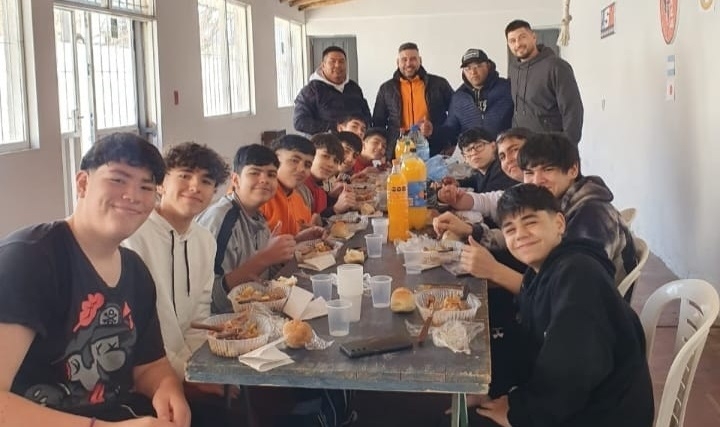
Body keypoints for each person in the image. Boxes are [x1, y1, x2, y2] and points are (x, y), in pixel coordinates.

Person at [0, 132, 190, 426]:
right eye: (118, 180)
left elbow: (150, 366)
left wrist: (167, 389)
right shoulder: (30, 258)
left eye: (145, 186)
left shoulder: (135, 271)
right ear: (82, 184)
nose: (133, 195)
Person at [470, 183, 653, 427]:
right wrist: (488, 388)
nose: (520, 234)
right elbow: (529, 345)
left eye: (530, 222)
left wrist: (519, 414)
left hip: (601, 413)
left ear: (559, 223)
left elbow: (572, 372)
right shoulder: (543, 273)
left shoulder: (578, 276)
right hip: (574, 403)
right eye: (510, 229)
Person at [123, 142, 233, 427]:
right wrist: (187, 375)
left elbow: (199, 316)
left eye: (206, 181)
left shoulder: (204, 241)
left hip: (184, 368)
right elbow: (139, 326)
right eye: (184, 175)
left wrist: (197, 370)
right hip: (140, 377)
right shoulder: (133, 236)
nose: (195, 186)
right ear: (161, 184)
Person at [459, 132, 637, 294]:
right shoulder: (557, 201)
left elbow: (568, 292)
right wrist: (472, 232)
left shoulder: (591, 216)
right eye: (529, 173)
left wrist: (495, 271)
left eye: (548, 169)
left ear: (573, 170)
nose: (537, 181)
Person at [196, 144, 297, 314]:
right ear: (235, 180)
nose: (264, 180)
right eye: (254, 173)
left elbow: (263, 277)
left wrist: (283, 252)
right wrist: (264, 258)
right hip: (224, 323)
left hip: (258, 314)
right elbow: (209, 298)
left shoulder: (258, 219)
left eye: (271, 174)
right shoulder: (221, 219)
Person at [505, 20, 584, 144]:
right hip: (524, 147)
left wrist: (568, 145)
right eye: (512, 41)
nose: (518, 44)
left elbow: (572, 109)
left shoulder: (556, 66)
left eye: (522, 37)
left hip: (552, 146)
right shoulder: (514, 70)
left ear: (533, 37)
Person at [372, 42, 454, 157]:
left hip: (435, 148)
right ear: (397, 62)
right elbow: (378, 122)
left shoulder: (439, 84)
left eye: (413, 59)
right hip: (399, 149)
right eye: (404, 60)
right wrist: (382, 151)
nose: (408, 63)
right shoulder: (386, 89)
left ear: (420, 60)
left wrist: (439, 133)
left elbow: (455, 115)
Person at [437, 49, 513, 154]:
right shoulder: (459, 97)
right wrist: (433, 132)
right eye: (468, 68)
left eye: (478, 66)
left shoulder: (507, 88)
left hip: (504, 153)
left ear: (488, 65)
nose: (473, 72)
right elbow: (450, 128)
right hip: (474, 155)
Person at [259, 135, 325, 239]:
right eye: (294, 160)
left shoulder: (300, 202)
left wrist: (303, 237)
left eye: (307, 165)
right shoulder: (258, 199)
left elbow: (297, 240)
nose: (302, 169)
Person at [294, 46, 371, 135]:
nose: (337, 65)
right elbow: (299, 122)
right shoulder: (311, 90)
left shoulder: (354, 88)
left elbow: (366, 115)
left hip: (355, 141)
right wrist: (335, 127)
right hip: (325, 141)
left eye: (341, 62)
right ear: (323, 65)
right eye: (332, 61)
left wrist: (360, 128)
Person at [298, 133, 356, 217]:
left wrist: (331, 197)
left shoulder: (320, 186)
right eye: (325, 156)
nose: (331, 164)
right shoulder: (299, 188)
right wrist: (335, 209)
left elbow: (320, 213)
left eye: (336, 161)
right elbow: (309, 222)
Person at [455, 127, 518, 195]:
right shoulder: (484, 170)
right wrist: (457, 183)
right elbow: (476, 179)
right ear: (464, 157)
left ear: (493, 146)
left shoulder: (502, 171)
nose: (474, 153)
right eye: (468, 150)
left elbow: (484, 198)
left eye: (479, 146)